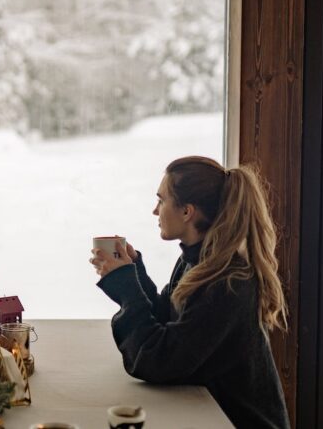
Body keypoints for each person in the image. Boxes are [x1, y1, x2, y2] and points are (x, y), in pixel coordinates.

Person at [90, 156, 290, 429]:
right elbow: (167, 321)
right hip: (209, 415)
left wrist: (127, 288)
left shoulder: (226, 281)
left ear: (187, 211)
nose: (154, 210)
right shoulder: (199, 261)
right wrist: (133, 274)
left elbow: (159, 360)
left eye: (161, 200)